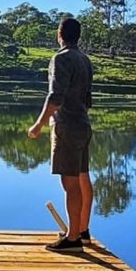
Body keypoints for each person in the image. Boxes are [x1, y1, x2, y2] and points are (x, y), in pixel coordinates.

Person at [28, 15, 93, 253]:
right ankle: (82, 231)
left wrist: (39, 124)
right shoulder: (85, 60)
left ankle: (73, 238)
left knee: (70, 182)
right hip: (83, 124)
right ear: (78, 37)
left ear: (59, 35)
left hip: (67, 125)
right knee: (82, 176)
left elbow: (55, 96)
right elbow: (87, 98)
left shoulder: (61, 58)